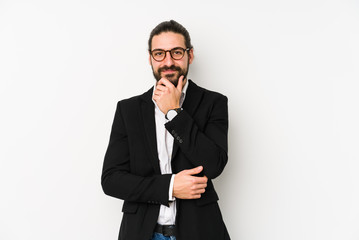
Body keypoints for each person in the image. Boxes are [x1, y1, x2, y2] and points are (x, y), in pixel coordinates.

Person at [101, 20, 230, 240]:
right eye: (159, 53)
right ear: (150, 58)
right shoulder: (128, 109)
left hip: (200, 232)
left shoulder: (213, 103)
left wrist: (174, 113)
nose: (168, 61)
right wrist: (169, 187)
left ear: (190, 56)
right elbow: (111, 180)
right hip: (142, 233)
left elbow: (214, 165)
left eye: (176, 52)